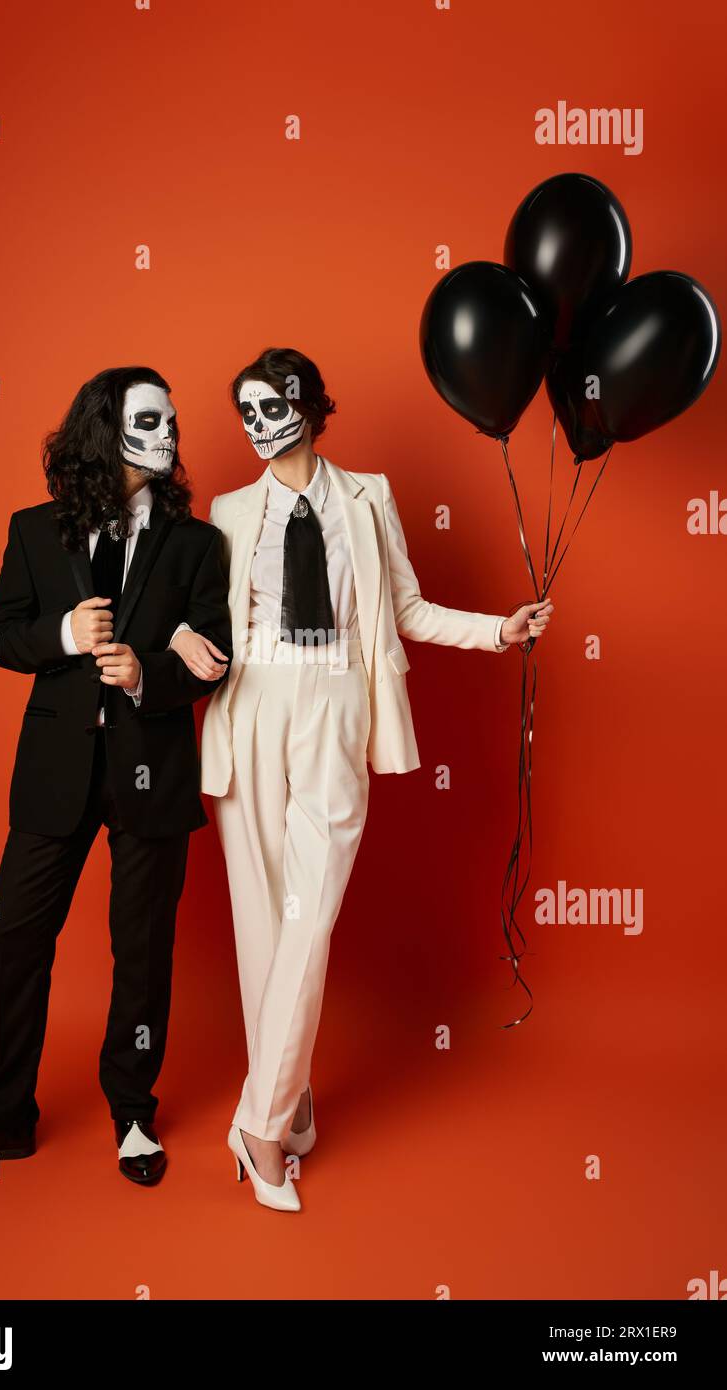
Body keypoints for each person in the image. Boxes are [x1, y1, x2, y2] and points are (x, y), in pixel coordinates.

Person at [173, 347, 553, 1211]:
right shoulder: (229, 511)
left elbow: (407, 610)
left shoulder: (369, 497)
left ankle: (260, 1125)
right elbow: (187, 615)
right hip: (252, 703)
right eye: (246, 412)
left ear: (310, 405)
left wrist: (500, 631)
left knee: (310, 918)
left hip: (339, 703)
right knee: (264, 923)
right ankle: (290, 1093)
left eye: (272, 405)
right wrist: (166, 646)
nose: (258, 425)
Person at [0, 366, 231, 1185]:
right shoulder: (34, 530)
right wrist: (68, 636)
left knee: (141, 952)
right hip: (55, 770)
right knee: (14, 938)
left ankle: (134, 1117)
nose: (172, 431)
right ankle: (2, 1118)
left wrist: (147, 674)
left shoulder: (197, 544)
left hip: (153, 771)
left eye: (174, 418)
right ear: (107, 429)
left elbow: (216, 658)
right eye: (154, 417)